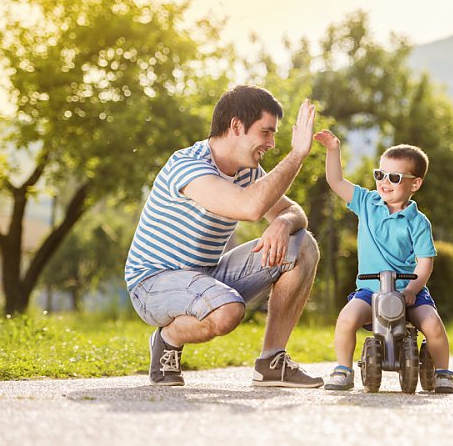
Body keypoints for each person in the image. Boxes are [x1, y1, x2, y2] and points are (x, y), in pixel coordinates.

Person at [125, 85, 324, 388]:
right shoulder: (188, 165)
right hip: (152, 283)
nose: (271, 144)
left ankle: (271, 362)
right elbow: (249, 207)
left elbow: (293, 211)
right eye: (266, 132)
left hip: (204, 275)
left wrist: (284, 222)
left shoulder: (247, 172)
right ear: (236, 126)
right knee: (228, 311)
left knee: (303, 245)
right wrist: (297, 154)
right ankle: (168, 338)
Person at [313, 129, 453, 393]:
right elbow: (336, 181)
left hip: (409, 292)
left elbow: (425, 263)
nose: (384, 182)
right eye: (380, 174)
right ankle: (343, 369)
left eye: (394, 177)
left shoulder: (418, 222)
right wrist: (333, 150)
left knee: (433, 324)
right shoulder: (367, 202)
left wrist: (412, 290)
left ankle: (443, 373)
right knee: (346, 319)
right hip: (370, 291)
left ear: (415, 184)